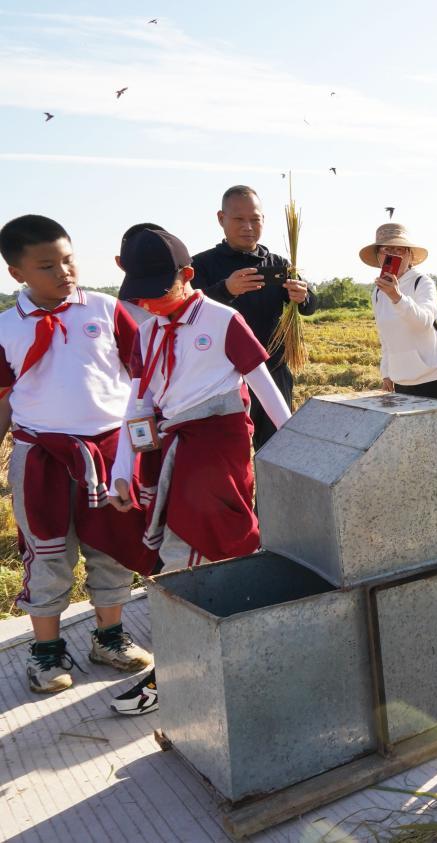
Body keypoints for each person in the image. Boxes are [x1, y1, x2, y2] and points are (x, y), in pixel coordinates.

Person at [106, 227, 293, 715]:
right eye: (138, 294)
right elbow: (139, 401)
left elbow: (262, 382)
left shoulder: (221, 318)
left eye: (157, 290)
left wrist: (295, 443)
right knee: (198, 547)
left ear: (187, 276)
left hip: (217, 442)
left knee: (189, 550)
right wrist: (122, 470)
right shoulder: (148, 329)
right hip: (171, 445)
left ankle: (175, 673)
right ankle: (217, 651)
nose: (147, 302)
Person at [0, 215, 156, 694]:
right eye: (47, 265)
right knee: (47, 555)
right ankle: (46, 653)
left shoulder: (106, 310)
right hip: (39, 457)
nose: (64, 272)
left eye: (69, 259)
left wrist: (148, 446)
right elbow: (3, 399)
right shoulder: (6, 327)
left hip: (111, 453)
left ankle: (108, 637)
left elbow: (144, 378)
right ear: (17, 273)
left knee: (111, 548)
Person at [191, 185, 316, 450]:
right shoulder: (201, 265)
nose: (248, 226)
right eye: (239, 219)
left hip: (273, 372)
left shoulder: (279, 264)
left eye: (255, 219)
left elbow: (310, 306)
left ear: (263, 220)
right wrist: (225, 290)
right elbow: (189, 311)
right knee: (227, 454)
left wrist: (302, 296)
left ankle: (271, 494)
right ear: (221, 219)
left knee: (276, 451)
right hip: (222, 378)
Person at [361, 223, 437, 401]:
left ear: (410, 255)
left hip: (434, 377)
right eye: (387, 250)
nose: (393, 255)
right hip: (402, 380)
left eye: (400, 250)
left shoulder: (422, 283)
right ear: (378, 256)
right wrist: (387, 373)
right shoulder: (378, 292)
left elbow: (424, 322)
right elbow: (386, 337)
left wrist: (397, 296)